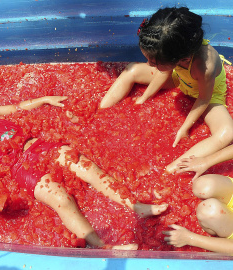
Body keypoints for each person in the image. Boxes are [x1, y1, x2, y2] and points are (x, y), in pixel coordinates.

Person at [0, 95, 168, 249]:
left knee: (89, 169)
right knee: (61, 199)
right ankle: (103, 246)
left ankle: (135, 205)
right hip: (20, 169)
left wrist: (44, 99)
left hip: (37, 145)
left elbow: (16, 108)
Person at [99, 6, 233, 173]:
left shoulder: (204, 65)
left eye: (154, 63)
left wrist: (185, 127)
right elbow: (165, 71)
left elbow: (204, 99)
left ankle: (172, 169)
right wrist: (145, 98)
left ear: (180, 58)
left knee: (227, 133)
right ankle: (100, 112)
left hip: (208, 94)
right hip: (180, 78)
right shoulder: (172, 50)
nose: (149, 65)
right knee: (132, 70)